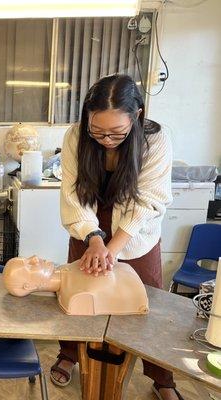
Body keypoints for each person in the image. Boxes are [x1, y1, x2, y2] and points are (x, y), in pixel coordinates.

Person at [53, 75, 181, 400]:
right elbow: (73, 194)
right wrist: (94, 239)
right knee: (78, 294)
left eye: (117, 133)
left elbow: (148, 200)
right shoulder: (75, 137)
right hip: (89, 224)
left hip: (137, 231)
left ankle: (161, 376)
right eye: (98, 132)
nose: (106, 140)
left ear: (136, 116)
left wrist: (114, 246)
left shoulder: (156, 139)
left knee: (145, 302)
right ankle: (69, 354)